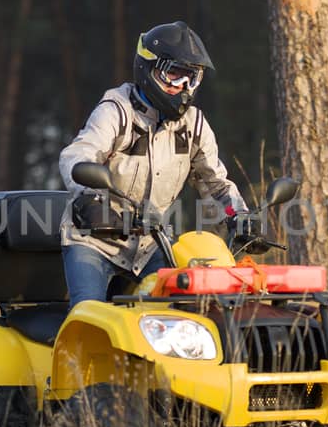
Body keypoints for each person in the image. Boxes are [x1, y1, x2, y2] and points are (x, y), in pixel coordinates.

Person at [58, 21, 251, 307]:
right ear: (148, 69)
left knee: (186, 309)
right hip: (95, 241)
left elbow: (216, 185)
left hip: (151, 245)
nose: (183, 87)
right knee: (88, 314)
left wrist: (240, 216)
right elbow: (77, 156)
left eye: (191, 78)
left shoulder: (194, 125)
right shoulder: (117, 111)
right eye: (174, 75)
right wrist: (91, 201)